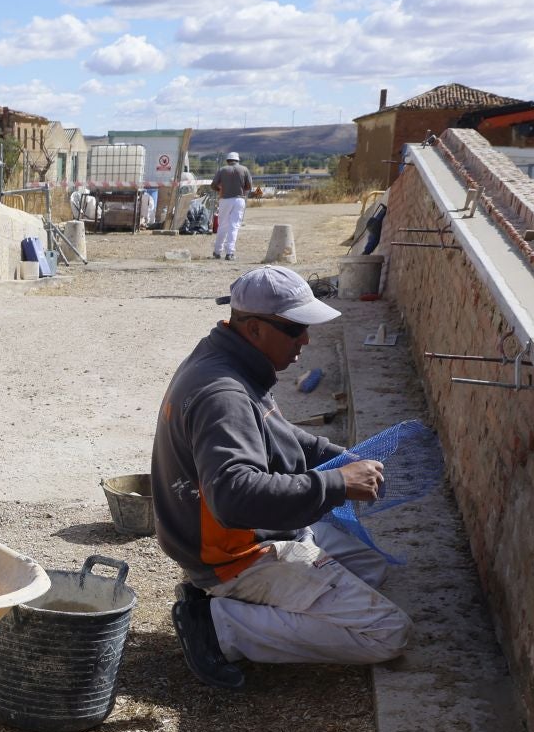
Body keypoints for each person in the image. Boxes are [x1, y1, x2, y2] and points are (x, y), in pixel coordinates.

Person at [151, 265, 411, 689]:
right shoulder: (224, 395)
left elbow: (281, 435)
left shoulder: (231, 358)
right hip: (233, 555)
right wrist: (337, 483)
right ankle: (219, 624)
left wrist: (338, 457)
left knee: (370, 568)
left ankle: (248, 607)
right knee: (387, 632)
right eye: (295, 329)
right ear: (254, 328)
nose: (306, 340)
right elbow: (234, 497)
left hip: (233, 534)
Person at [210, 152, 252, 261]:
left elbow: (213, 185)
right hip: (239, 200)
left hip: (224, 200)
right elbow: (249, 186)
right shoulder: (244, 169)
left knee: (222, 225)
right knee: (234, 226)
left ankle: (217, 251)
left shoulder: (222, 170)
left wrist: (220, 189)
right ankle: (230, 253)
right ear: (237, 160)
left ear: (227, 161)